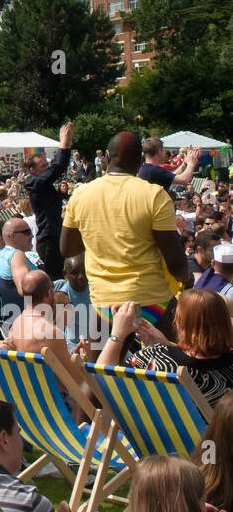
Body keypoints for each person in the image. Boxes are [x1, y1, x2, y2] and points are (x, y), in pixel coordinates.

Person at [60, 130, 190, 340]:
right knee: (181, 357)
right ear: (140, 161)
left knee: (101, 370)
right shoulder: (155, 195)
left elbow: (68, 249)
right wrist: (187, 280)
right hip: (152, 301)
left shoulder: (81, 194)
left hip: (104, 303)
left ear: (107, 159)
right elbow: (175, 262)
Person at [98, 289, 233, 406]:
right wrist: (167, 346)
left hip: (156, 435)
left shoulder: (156, 358)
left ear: (180, 323)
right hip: (215, 435)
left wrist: (117, 334)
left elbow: (103, 382)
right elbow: (199, 358)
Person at [19, 123, 73, 280]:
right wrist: (64, 143)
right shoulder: (34, 183)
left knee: (59, 279)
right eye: (43, 166)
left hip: (55, 235)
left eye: (47, 165)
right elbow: (57, 168)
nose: (47, 168)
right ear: (33, 170)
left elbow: (56, 168)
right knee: (52, 281)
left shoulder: (42, 183)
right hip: (48, 240)